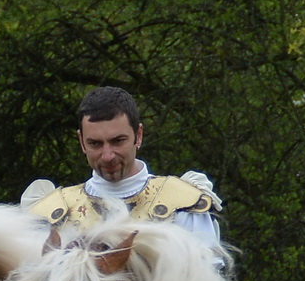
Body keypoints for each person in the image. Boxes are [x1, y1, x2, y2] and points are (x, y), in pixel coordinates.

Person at [23, 85, 223, 241]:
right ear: (81, 142)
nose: (107, 155)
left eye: (118, 141)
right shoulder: (53, 213)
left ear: (139, 135)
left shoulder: (182, 204)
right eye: (95, 144)